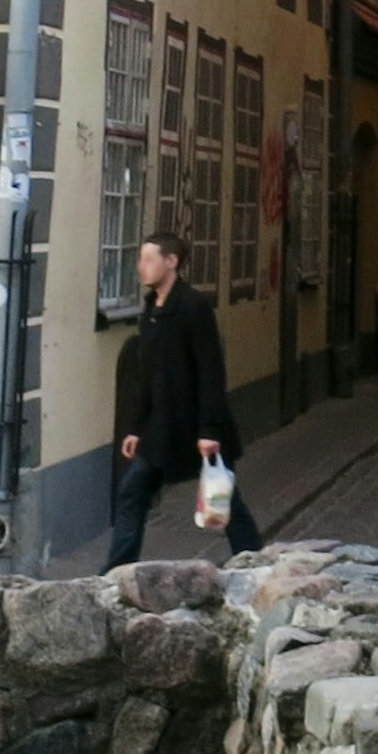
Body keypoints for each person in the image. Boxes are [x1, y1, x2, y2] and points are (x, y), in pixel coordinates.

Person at [107, 230, 263, 566]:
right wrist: (135, 427)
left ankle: (255, 562)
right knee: (132, 494)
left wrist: (209, 430)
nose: (141, 267)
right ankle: (115, 572)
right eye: (141, 259)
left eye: (149, 259)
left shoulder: (192, 306)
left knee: (225, 502)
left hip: (195, 428)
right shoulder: (150, 309)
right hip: (160, 430)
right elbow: (146, 375)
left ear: (171, 262)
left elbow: (210, 370)